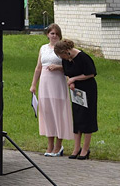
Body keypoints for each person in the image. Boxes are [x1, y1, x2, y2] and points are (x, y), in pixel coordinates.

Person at [30, 24, 74, 156]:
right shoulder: (43, 48)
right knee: (47, 112)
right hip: (45, 83)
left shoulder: (63, 49)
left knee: (58, 112)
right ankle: (50, 145)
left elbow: (70, 67)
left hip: (58, 84)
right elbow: (38, 67)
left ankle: (59, 145)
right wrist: (33, 85)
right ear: (47, 34)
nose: (54, 36)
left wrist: (58, 67)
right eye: (51, 33)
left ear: (60, 35)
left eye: (56, 33)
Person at [55, 38, 98, 160]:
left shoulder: (83, 57)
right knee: (77, 117)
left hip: (88, 88)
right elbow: (68, 73)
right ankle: (76, 147)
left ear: (66, 51)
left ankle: (85, 149)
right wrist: (71, 81)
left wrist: (75, 79)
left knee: (87, 116)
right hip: (75, 90)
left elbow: (91, 73)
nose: (61, 58)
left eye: (62, 55)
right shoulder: (65, 59)